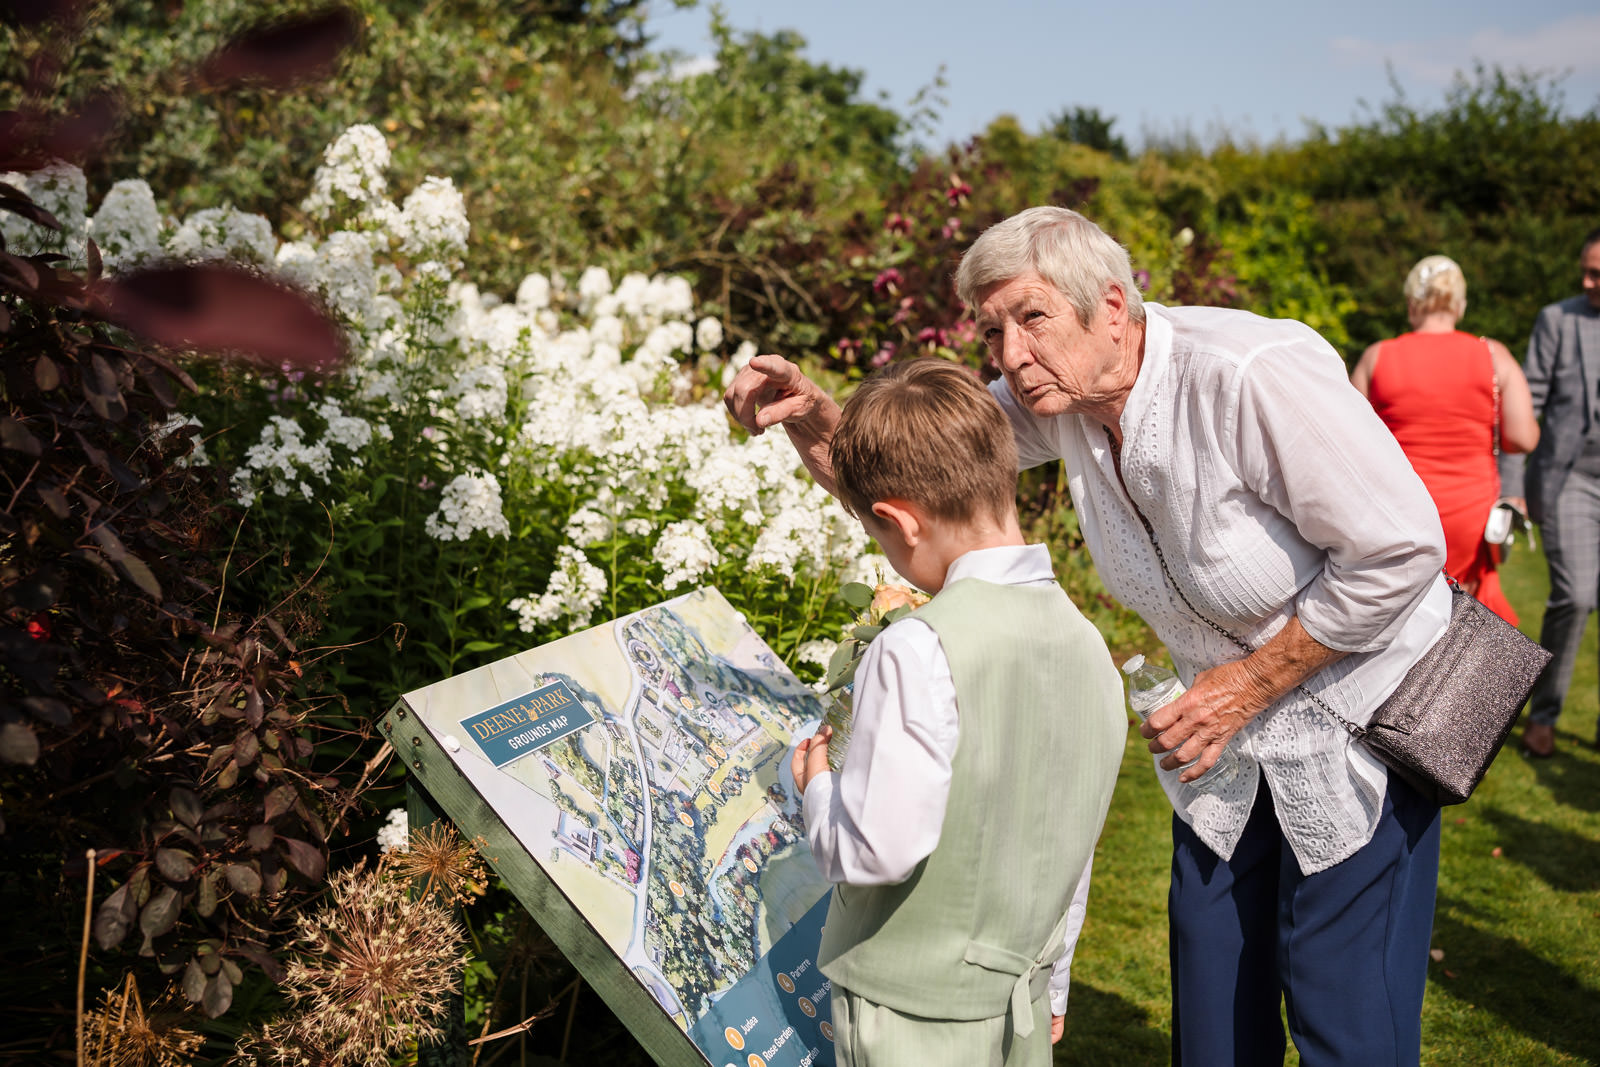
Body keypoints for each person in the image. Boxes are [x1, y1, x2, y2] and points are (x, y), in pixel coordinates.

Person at [731, 206, 1452, 1067]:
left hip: (1356, 723)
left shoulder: (1249, 373)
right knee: (1215, 1017)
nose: (1008, 356)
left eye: (1030, 318)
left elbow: (1401, 548)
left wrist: (1250, 682)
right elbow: (918, 477)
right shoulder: (1060, 398)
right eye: (992, 330)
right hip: (1220, 748)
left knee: (1345, 1013)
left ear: (1111, 307)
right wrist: (814, 415)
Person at [788, 358, 1126, 1066]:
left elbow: (877, 848)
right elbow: (1070, 844)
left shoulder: (917, 648)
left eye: (878, 538)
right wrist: (1054, 983)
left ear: (897, 520)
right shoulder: (1089, 645)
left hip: (908, 1018)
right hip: (1020, 1004)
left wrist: (817, 785)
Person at [1350, 254, 1539, 624]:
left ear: (1410, 303)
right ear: (1460, 304)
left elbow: (1348, 441)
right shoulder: (1492, 355)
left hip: (1400, 509)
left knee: (1403, 617)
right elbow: (1522, 438)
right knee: (1463, 621)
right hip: (1470, 513)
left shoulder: (1377, 356)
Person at [1501, 226, 1600, 758]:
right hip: (1571, 480)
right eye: (1586, 269)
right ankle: (1545, 712)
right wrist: (1512, 488)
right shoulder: (1558, 320)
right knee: (1577, 595)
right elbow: (1525, 404)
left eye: (1598, 274)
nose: (1587, 280)